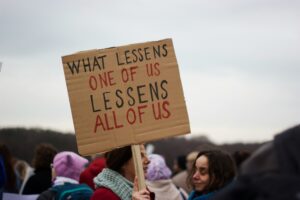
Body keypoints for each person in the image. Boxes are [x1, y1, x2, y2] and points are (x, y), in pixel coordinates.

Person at [212, 124, 300, 200]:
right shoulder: (285, 146)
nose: (197, 175)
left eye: (203, 171)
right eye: (197, 169)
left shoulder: (282, 149)